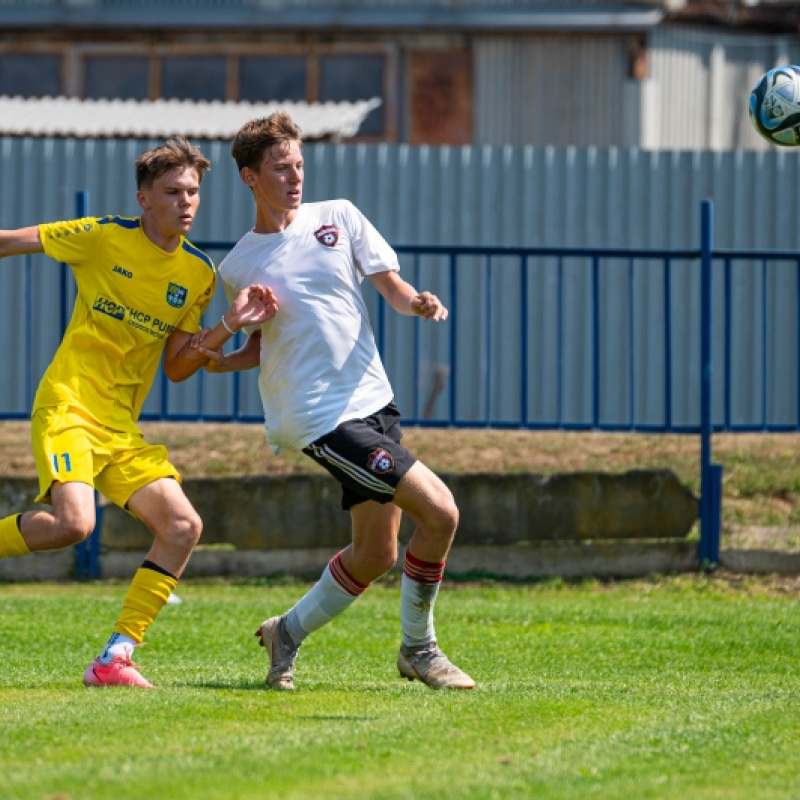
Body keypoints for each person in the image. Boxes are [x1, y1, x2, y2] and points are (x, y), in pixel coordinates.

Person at [192, 111, 475, 691]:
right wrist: (217, 353)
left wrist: (415, 301)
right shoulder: (240, 263)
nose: (295, 177)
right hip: (319, 418)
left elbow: (391, 288)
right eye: (280, 168)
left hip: (374, 401)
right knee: (442, 511)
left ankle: (284, 632)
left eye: (298, 164)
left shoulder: (339, 216)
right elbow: (260, 347)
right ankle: (420, 650)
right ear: (250, 176)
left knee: (374, 554)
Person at [0, 137, 276, 689]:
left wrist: (229, 325)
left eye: (193, 192)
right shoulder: (103, 236)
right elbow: (7, 242)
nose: (186, 202)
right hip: (70, 405)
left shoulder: (198, 275)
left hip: (120, 427)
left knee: (182, 525)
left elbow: (176, 367)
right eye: (172, 191)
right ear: (143, 198)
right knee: (73, 523)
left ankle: (115, 658)